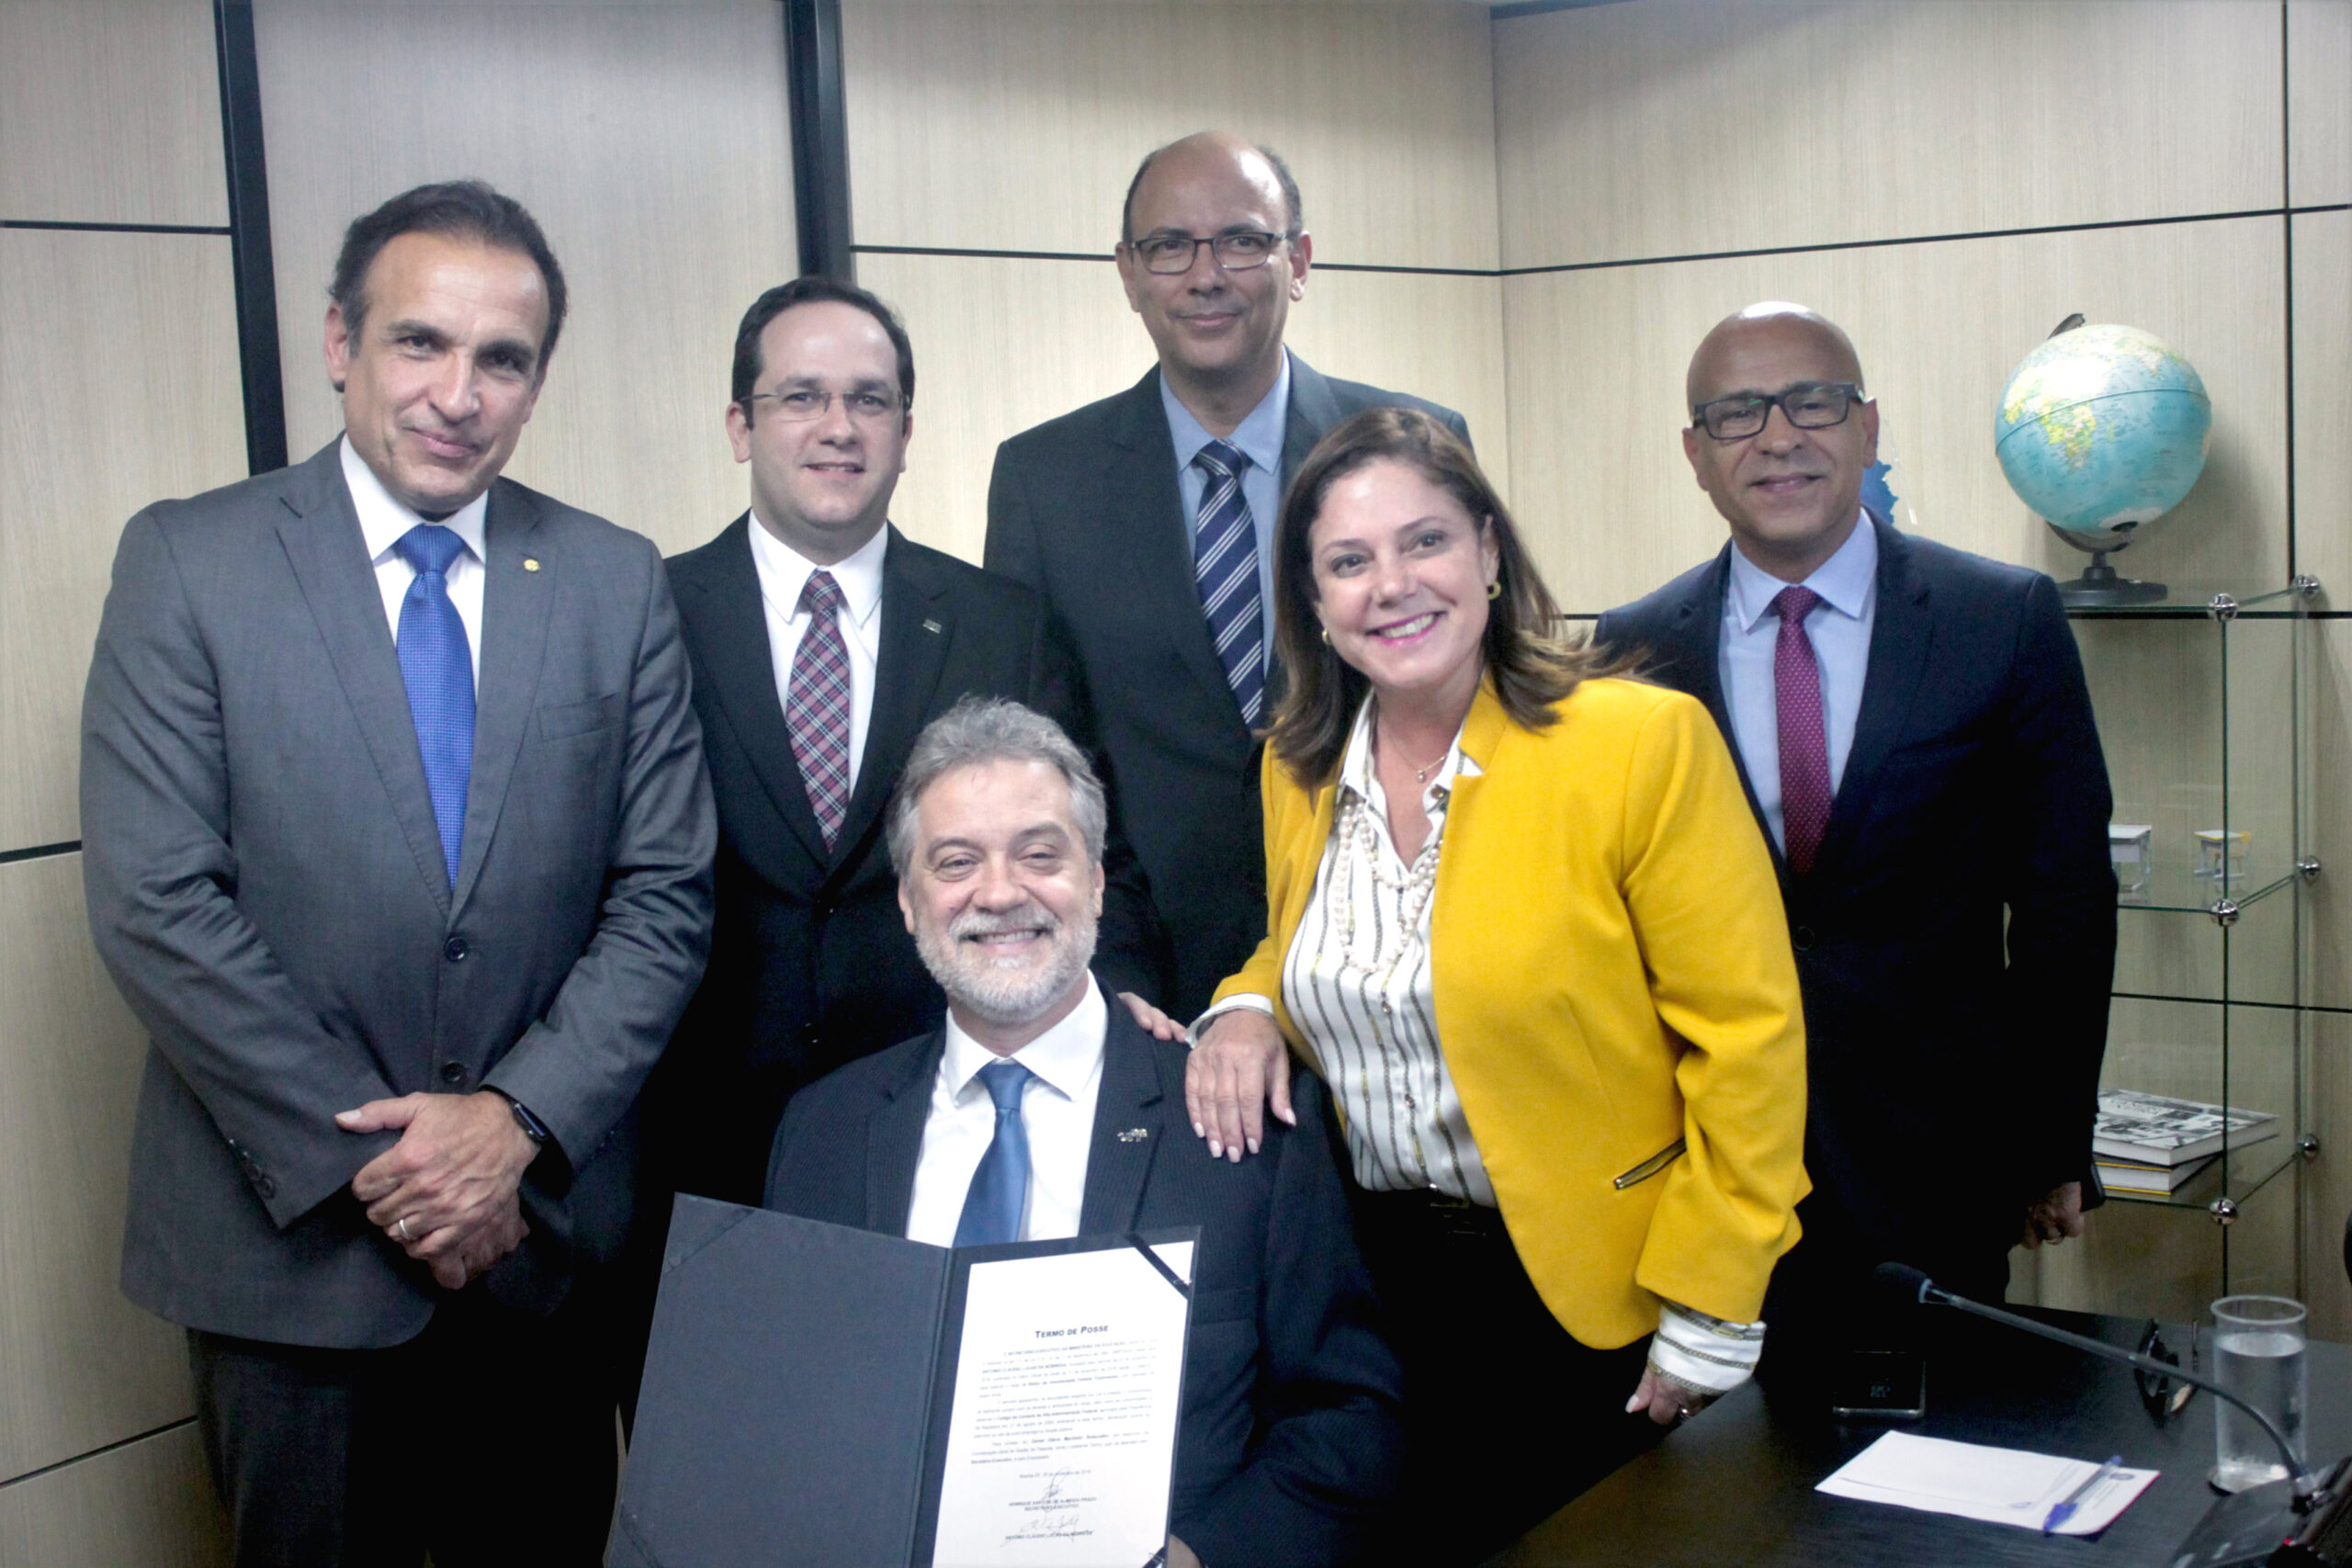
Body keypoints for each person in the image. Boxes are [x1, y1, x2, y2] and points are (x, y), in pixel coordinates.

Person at [80, 181, 716, 1565]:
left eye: (503, 359)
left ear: (537, 382)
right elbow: (156, 902)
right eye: (420, 341)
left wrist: (513, 1125)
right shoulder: (189, 561)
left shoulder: (611, 579)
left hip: (539, 1249)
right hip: (289, 1261)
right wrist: (400, 1166)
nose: (457, 395)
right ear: (339, 342)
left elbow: (664, 895)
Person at [1182, 408, 1809, 1562]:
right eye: (1348, 561)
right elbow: (1317, 948)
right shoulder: (1296, 766)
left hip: (1589, 1297)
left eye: (1423, 541)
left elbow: (1750, 1039)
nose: (1391, 585)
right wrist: (1245, 1005)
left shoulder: (1635, 743)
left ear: (1485, 550)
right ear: (1312, 601)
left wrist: (1713, 1300)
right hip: (1363, 1298)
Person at [765, 697, 1403, 1568]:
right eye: (957, 862)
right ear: (909, 902)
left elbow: (1350, 1421)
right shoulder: (822, 1134)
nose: (1001, 892)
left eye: (1040, 854)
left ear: (1098, 882)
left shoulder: (1246, 1126)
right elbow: (785, 1417)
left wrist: (1200, 1559)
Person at [1595, 301, 2115, 1336]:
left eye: (1813, 402)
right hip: (1706, 1165)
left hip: (1938, 1157)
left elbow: (2064, 901)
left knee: (1944, 1427)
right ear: (1696, 455)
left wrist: (2053, 1141)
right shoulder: (1633, 645)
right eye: (1738, 413)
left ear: (1867, 426)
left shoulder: (2001, 619)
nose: (1778, 436)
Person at [643, 276, 1167, 1219]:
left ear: (905, 432)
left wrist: (1123, 1022)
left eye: (869, 400)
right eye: (801, 397)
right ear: (740, 426)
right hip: (697, 1137)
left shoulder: (1005, 625)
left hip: (933, 1134)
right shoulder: (649, 614)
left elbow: (1094, 853)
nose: (838, 427)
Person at [987, 131, 1470, 1017]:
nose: (1205, 275)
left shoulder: (1414, 445)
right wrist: (1111, 989)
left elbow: (1476, 720)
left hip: (1408, 971)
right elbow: (1042, 765)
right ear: (1129, 272)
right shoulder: (1043, 480)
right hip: (1147, 983)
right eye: (1170, 246)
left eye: (1242, 241)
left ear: (1300, 261)